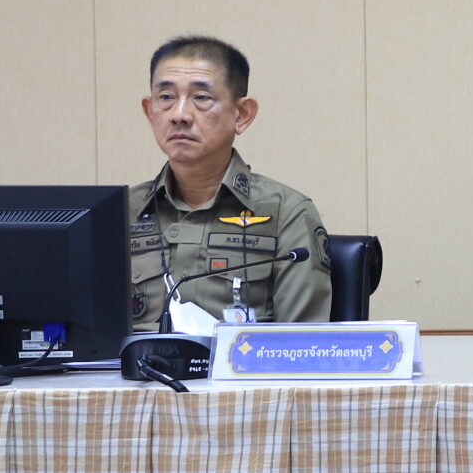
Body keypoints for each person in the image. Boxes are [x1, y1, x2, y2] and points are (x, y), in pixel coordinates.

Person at [128, 36, 331, 331]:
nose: (179, 115)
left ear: (242, 114)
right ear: (150, 111)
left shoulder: (285, 214)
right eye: (166, 97)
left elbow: (300, 346)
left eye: (201, 98)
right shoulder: (121, 212)